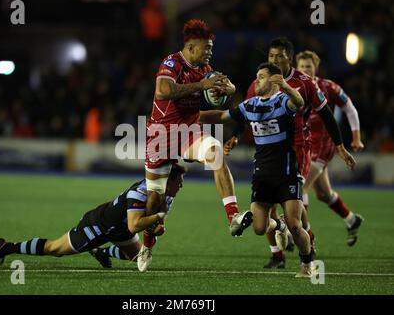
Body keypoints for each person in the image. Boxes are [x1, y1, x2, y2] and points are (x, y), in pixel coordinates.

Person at [225, 37, 356, 268]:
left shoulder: (304, 83)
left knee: (296, 198)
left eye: (279, 56)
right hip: (268, 150)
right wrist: (235, 136)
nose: (275, 60)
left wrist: (341, 146)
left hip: (298, 148)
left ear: (289, 58)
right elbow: (245, 113)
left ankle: (307, 242)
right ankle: (277, 254)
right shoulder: (260, 83)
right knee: (265, 208)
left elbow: (326, 113)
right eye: (271, 56)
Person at [141, 19, 247, 271]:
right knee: (155, 201)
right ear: (190, 47)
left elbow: (224, 87)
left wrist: (227, 88)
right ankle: (146, 245)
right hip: (161, 136)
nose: (210, 51)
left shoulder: (206, 69)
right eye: (206, 47)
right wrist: (202, 85)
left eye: (211, 47)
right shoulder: (172, 63)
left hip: (189, 132)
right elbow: (163, 91)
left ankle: (233, 216)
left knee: (216, 153)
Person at [200, 63, 316, 277]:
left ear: (274, 80)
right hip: (262, 176)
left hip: (287, 173)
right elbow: (221, 116)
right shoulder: (250, 105)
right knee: (259, 228)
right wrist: (195, 115)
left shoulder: (282, 101)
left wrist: (286, 86)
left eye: (261, 77)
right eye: (256, 76)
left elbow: (299, 103)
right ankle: (278, 225)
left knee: (296, 226)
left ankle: (307, 263)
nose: (257, 81)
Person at [0, 164, 186, 270]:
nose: (182, 185)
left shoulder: (166, 197)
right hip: (98, 226)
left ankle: (102, 253)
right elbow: (135, 226)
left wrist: (157, 228)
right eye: (180, 181)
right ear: (167, 181)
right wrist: (157, 219)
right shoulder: (140, 193)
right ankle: (7, 247)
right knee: (55, 249)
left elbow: (152, 224)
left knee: (138, 257)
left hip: (119, 230)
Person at [296, 50, 364, 246]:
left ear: (315, 67)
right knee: (323, 194)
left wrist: (356, 138)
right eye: (301, 66)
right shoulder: (295, 87)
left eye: (308, 66)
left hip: (324, 145)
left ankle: (304, 236)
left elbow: (349, 108)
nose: (305, 70)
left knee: (301, 188)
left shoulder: (327, 86)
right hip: (306, 143)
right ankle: (352, 220)